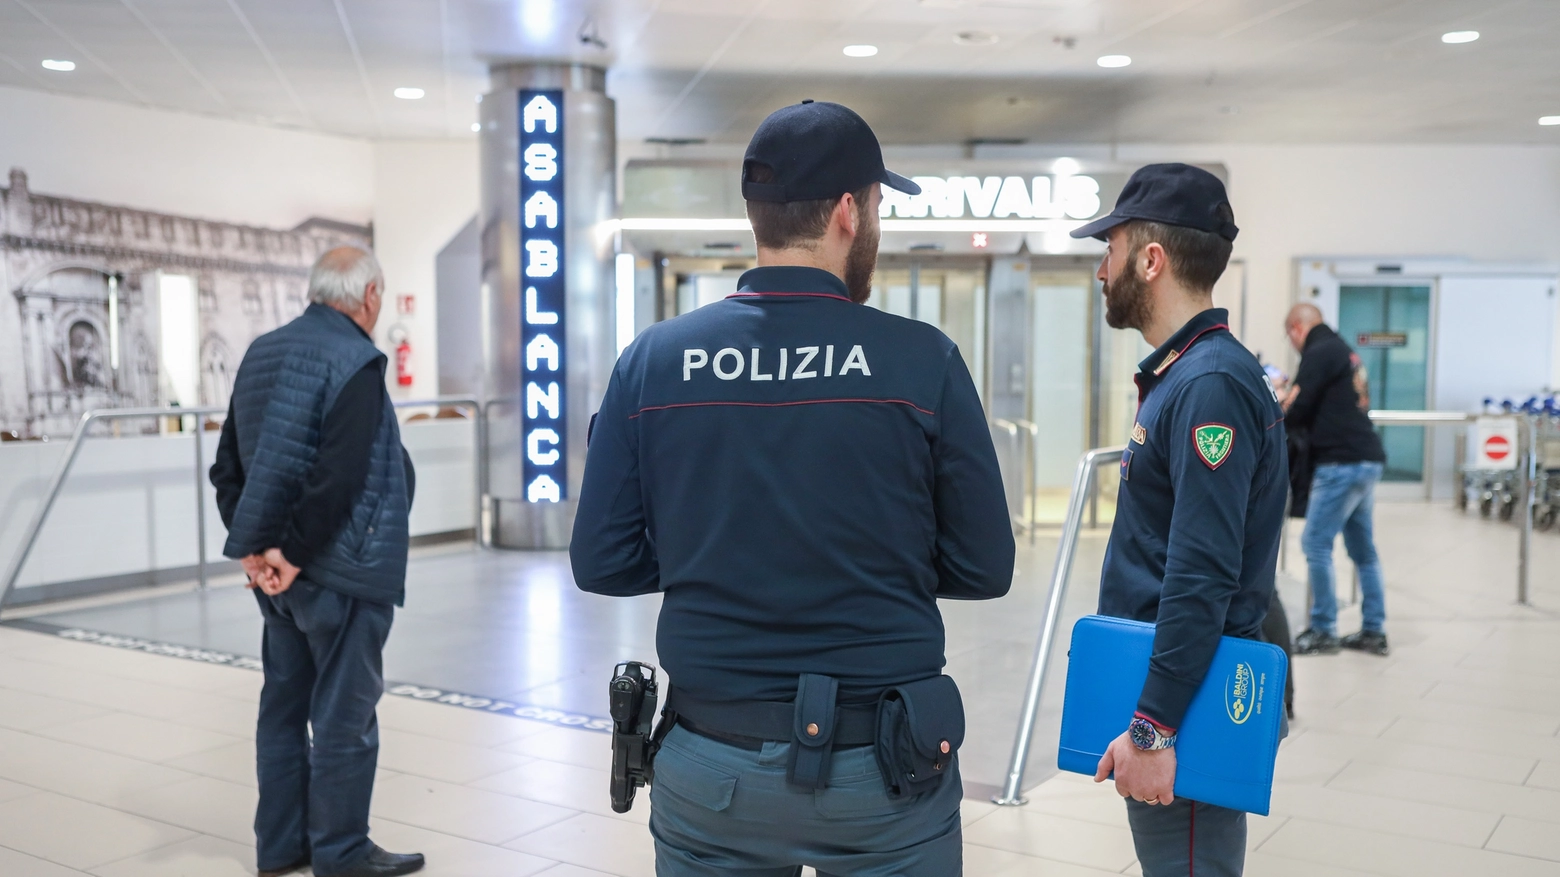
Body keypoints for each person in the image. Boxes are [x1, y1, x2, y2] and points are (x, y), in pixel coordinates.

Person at [570, 100, 1015, 876]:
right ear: (849, 211)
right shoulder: (923, 361)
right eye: (877, 204)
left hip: (714, 767)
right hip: (885, 775)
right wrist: (876, 558)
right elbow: (985, 565)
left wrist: (706, 549)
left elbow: (602, 561)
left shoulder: (653, 362)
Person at [1071, 164, 1287, 877]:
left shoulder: (1210, 386)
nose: (1102, 270)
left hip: (1187, 705)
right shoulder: (1189, 375)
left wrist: (1154, 727)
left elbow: (1201, 571)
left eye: (1111, 249)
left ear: (1150, 259)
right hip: (1173, 684)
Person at [210, 246, 424, 877]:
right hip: (341, 570)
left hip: (275, 579)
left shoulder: (260, 352)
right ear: (369, 296)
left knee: (282, 704)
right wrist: (293, 555)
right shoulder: (356, 359)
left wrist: (257, 551)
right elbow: (340, 477)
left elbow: (227, 468)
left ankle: (280, 847)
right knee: (344, 715)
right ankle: (340, 853)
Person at [1281, 303, 1389, 656]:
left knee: (1315, 543)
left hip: (1340, 462)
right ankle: (1373, 629)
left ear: (1297, 328)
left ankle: (1323, 628)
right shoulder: (1343, 349)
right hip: (1367, 457)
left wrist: (1279, 406)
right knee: (1363, 550)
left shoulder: (1318, 351)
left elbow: (1298, 409)